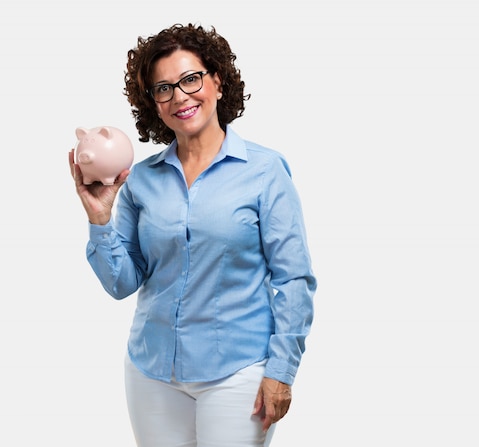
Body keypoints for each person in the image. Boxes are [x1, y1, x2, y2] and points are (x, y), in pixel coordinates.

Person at [68, 23, 316, 447]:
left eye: (190, 79)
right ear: (153, 104)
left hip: (239, 371)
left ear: (217, 81)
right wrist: (99, 219)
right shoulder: (141, 179)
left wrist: (281, 370)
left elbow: (293, 279)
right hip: (152, 370)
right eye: (163, 88)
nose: (180, 96)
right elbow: (121, 283)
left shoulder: (265, 171)